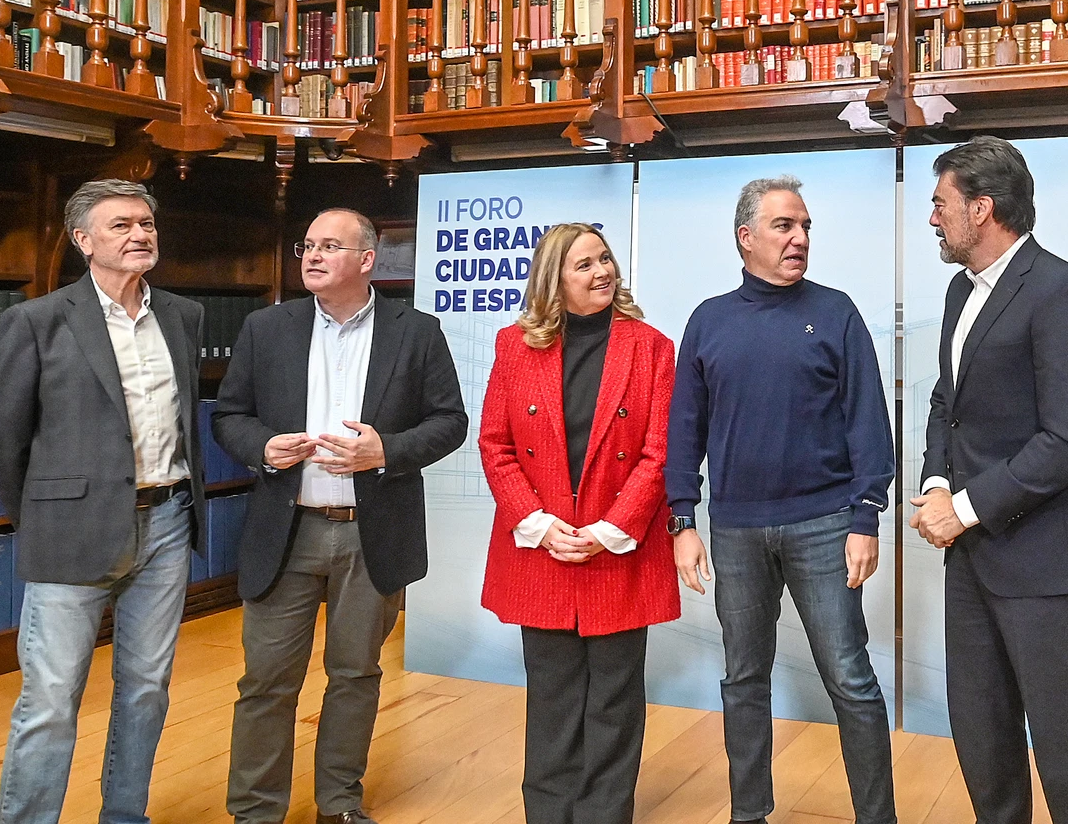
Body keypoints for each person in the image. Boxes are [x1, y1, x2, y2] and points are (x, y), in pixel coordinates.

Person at [213, 207, 468, 824]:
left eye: (331, 245)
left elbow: (450, 422)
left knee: (355, 674)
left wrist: (387, 450)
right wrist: (261, 447)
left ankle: (340, 805)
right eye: (308, 245)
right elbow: (229, 416)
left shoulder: (418, 332)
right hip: (288, 526)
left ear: (367, 260)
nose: (313, 255)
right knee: (267, 682)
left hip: (370, 531)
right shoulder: (265, 329)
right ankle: (254, 811)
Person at [667, 174, 897, 824]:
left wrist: (865, 515)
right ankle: (749, 814)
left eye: (805, 227)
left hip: (827, 525)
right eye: (784, 226)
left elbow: (868, 422)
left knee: (851, 679)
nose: (799, 238)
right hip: (735, 532)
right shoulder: (708, 320)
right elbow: (684, 426)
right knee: (743, 679)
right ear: (746, 237)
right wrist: (682, 518)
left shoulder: (836, 312)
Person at [0, 178, 206, 824]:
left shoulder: (184, 316)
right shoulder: (36, 319)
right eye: (120, 226)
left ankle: (124, 816)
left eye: (146, 223)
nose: (140, 234)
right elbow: (2, 436)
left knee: (144, 692)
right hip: (69, 531)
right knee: (50, 700)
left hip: (166, 523)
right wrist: (42, 517)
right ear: (83, 241)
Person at [908, 136, 1068, 824]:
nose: (932, 218)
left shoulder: (1063, 292)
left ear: (982, 208)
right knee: (982, 730)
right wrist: (936, 482)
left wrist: (962, 508)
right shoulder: (957, 291)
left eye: (941, 204)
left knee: (1060, 733)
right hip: (971, 553)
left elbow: (1065, 442)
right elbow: (947, 401)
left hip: (1043, 557)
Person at [479, 222, 680, 824]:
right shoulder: (514, 346)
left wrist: (608, 530)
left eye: (605, 259)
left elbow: (659, 451)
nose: (602, 273)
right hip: (543, 548)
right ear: (553, 282)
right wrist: (538, 524)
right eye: (584, 265)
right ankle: (547, 813)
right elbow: (496, 445)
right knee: (552, 697)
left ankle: (604, 815)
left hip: (617, 547)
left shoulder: (650, 346)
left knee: (615, 702)